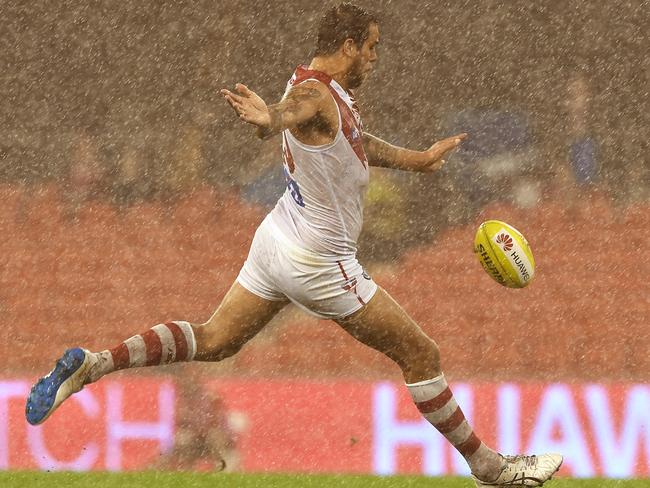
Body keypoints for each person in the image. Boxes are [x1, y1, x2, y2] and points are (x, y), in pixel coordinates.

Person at [26, 4, 562, 486]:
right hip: (319, 261)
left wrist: (418, 159)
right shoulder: (313, 93)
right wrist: (269, 119)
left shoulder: (326, 94)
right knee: (421, 353)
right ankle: (491, 470)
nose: (375, 57)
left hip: (278, 237)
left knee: (215, 339)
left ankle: (92, 365)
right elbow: (292, 112)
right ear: (348, 46)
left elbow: (355, 144)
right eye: (372, 46)